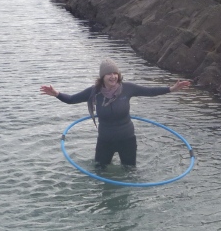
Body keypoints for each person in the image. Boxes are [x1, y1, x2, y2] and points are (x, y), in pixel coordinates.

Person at [41, 58, 191, 166]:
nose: (113, 76)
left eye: (115, 73)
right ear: (102, 77)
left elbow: (150, 91)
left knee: (130, 173)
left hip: (127, 139)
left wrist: (171, 89)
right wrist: (57, 94)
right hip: (105, 140)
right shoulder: (94, 92)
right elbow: (72, 99)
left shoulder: (128, 88)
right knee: (99, 171)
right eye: (109, 74)